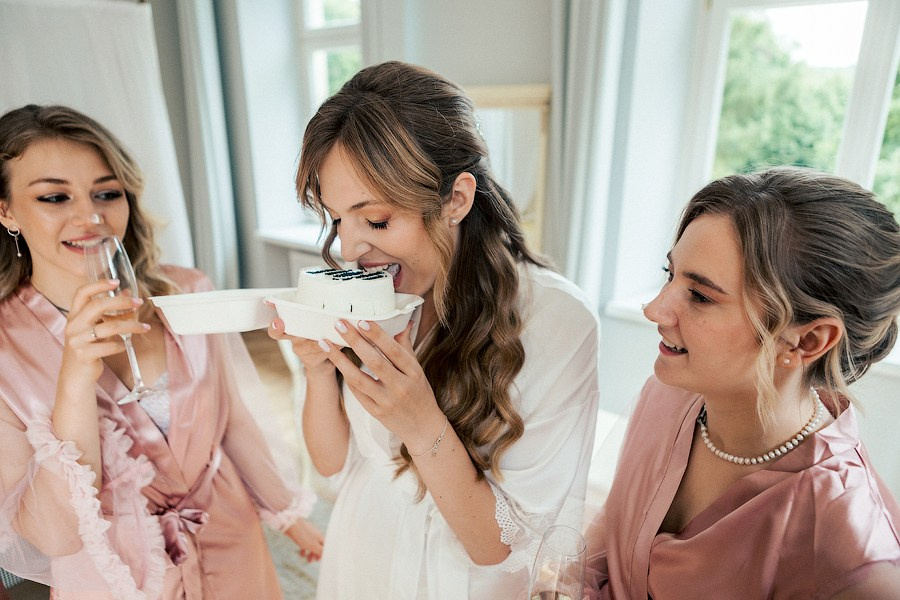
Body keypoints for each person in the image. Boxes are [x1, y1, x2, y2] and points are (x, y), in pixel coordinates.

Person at [268, 61, 601, 598]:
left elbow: (498, 547)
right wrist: (316, 371)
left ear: (456, 199)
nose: (352, 249)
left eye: (375, 220)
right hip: (361, 556)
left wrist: (422, 425)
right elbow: (334, 467)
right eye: (337, 220)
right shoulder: (368, 290)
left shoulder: (556, 323)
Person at [0, 104, 324, 599]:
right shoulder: (5, 349)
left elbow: (234, 419)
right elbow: (53, 532)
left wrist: (284, 514)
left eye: (107, 193)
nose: (90, 216)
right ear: (6, 210)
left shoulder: (188, 292)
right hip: (117, 576)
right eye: (53, 196)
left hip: (231, 540)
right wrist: (75, 378)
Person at [584, 167, 900, 598]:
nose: (655, 309)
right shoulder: (668, 395)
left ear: (807, 340)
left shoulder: (851, 560)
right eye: (669, 274)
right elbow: (605, 543)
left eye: (700, 296)